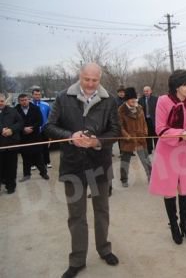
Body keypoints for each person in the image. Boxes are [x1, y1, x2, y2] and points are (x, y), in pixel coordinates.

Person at [45, 63, 120, 278]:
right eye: (86, 79)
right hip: (73, 165)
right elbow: (49, 126)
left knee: (102, 210)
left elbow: (115, 131)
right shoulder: (62, 97)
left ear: (100, 79)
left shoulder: (109, 100)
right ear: (80, 76)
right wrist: (71, 136)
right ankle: (77, 260)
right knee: (76, 215)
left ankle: (104, 249)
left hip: (100, 164)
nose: (89, 84)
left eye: (94, 80)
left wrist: (97, 141)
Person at [149, 70, 186, 245]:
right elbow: (160, 128)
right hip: (167, 150)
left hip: (184, 151)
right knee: (169, 189)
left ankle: (185, 225)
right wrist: (181, 134)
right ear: (176, 85)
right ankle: (174, 225)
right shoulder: (163, 101)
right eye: (185, 84)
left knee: (184, 188)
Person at [118, 87, 152, 187]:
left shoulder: (140, 107)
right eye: (131, 99)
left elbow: (144, 122)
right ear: (126, 100)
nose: (133, 100)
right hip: (128, 139)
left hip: (140, 138)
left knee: (145, 159)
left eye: (134, 98)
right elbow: (119, 126)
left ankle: (151, 176)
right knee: (125, 161)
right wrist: (126, 136)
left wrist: (145, 132)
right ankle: (124, 179)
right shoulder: (121, 110)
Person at [15, 93, 49, 182]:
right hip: (23, 138)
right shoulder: (15, 110)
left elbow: (40, 121)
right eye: (22, 100)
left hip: (35, 136)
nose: (24, 102)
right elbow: (14, 123)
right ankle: (26, 174)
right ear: (19, 101)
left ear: (29, 100)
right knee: (25, 157)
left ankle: (43, 173)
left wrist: (33, 128)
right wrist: (23, 129)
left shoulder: (35, 108)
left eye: (26, 100)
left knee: (39, 157)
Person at [0, 93, 23, 194]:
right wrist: (1, 130)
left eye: (1, 101)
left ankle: (11, 186)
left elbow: (21, 123)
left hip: (11, 144)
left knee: (11, 167)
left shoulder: (13, 111)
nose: (0, 103)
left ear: (5, 101)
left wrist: (11, 130)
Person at [31, 88, 52, 168]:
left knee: (45, 147)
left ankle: (47, 162)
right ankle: (34, 164)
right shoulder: (29, 104)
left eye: (39, 94)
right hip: (33, 130)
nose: (37, 96)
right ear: (32, 95)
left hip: (44, 129)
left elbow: (49, 117)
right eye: (35, 94)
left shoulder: (46, 105)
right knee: (34, 147)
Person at [138, 86, 158, 155]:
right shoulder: (140, 100)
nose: (146, 92)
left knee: (155, 135)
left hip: (154, 120)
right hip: (145, 120)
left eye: (147, 91)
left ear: (150, 91)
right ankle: (149, 149)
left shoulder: (156, 99)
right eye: (145, 91)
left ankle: (157, 148)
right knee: (147, 135)